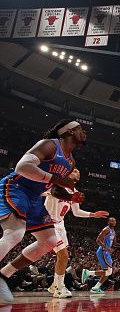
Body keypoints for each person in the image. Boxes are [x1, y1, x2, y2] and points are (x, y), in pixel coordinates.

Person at [0, 120, 86, 302]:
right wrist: (56, 178)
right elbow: (21, 167)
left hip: (35, 197)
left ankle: (3, 276)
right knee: (15, 233)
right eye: (80, 129)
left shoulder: (70, 162)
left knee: (49, 242)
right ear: (69, 132)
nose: (84, 132)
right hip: (16, 187)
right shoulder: (49, 145)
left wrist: (70, 197)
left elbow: (54, 188)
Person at [44, 168, 109, 298]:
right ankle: (59, 287)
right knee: (63, 255)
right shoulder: (56, 185)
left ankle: (54, 285)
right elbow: (49, 191)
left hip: (60, 224)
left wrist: (93, 214)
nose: (77, 172)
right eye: (74, 170)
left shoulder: (76, 192)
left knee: (62, 256)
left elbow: (76, 212)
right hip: (48, 222)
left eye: (78, 171)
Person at [81, 217, 120, 294]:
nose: (113, 221)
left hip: (106, 252)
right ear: (108, 222)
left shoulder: (113, 232)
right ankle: (88, 273)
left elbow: (114, 244)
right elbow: (98, 240)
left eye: (114, 220)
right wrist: (107, 248)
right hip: (103, 251)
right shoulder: (106, 229)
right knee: (108, 271)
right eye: (111, 220)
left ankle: (96, 287)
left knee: (108, 272)